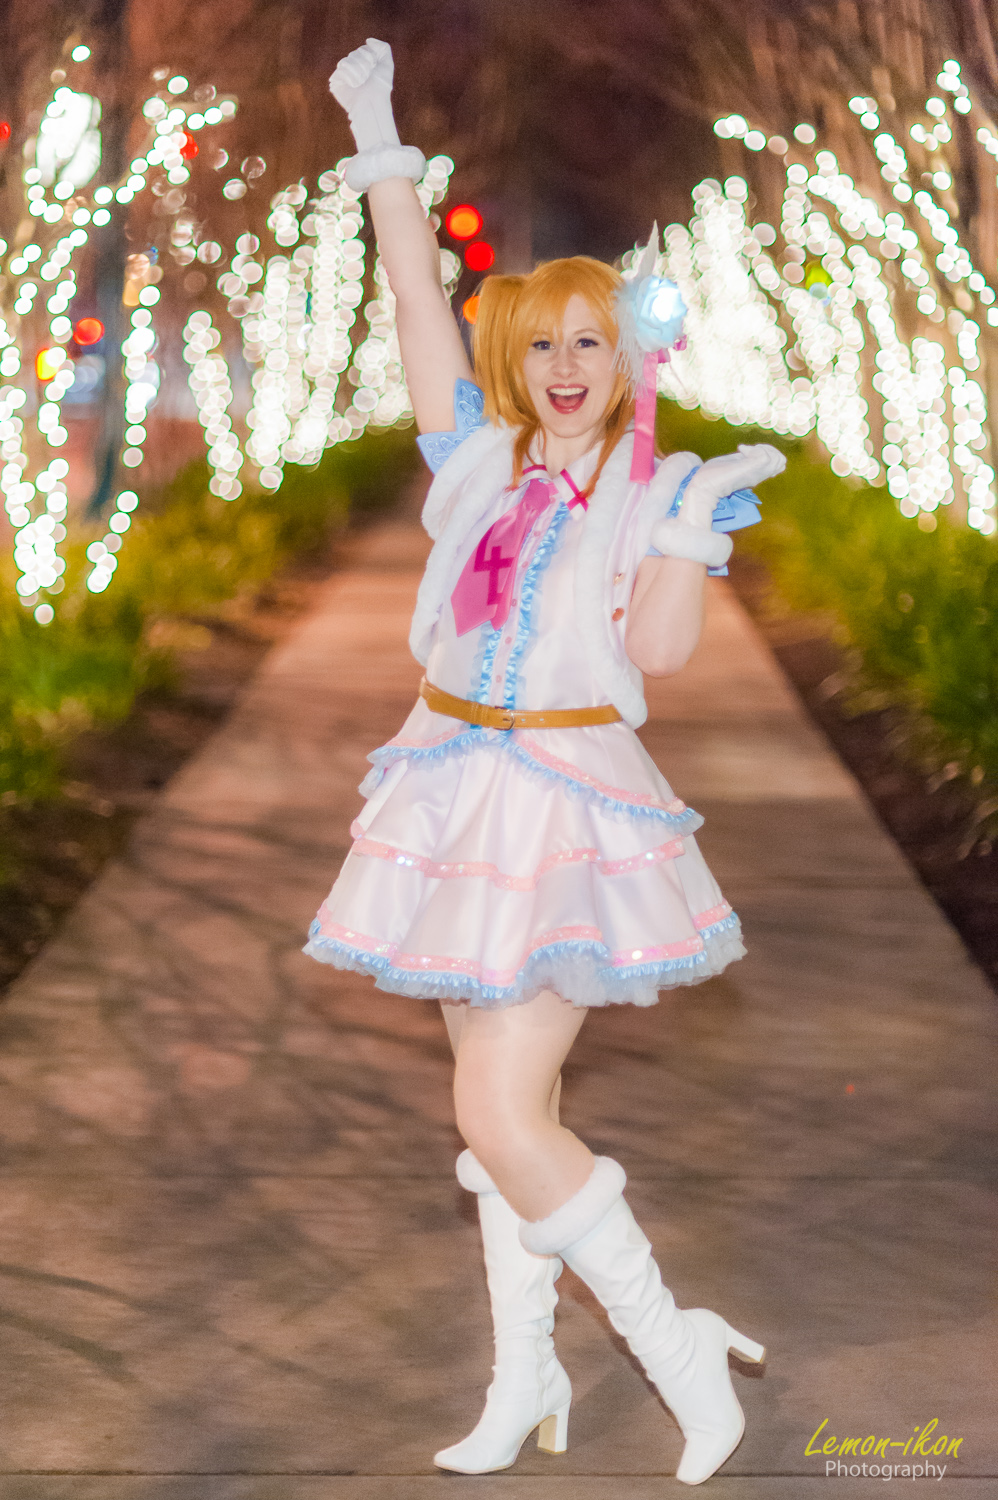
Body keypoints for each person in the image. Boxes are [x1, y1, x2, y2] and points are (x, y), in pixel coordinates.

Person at [308, 37, 785, 1486]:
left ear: (624, 361)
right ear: (513, 362)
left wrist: (689, 532)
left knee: (500, 1114)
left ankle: (678, 1350)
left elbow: (658, 654)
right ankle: (525, 1380)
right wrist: (379, 139)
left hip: (567, 809)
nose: (564, 368)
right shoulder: (476, 463)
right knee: (514, 1124)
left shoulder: (655, 487)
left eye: (589, 343)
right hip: (454, 789)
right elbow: (416, 300)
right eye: (540, 345)